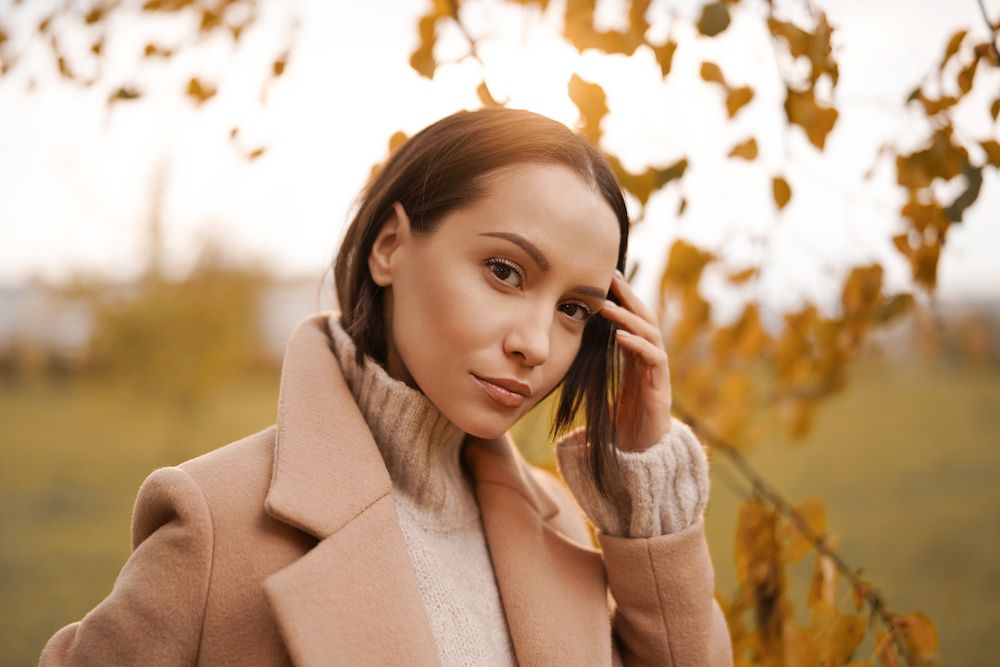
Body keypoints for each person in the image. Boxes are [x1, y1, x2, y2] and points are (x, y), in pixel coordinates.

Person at [40, 107, 734, 666]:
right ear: (390, 246)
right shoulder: (217, 522)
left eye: (574, 308)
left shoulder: (559, 525)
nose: (537, 343)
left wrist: (648, 498)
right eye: (505, 269)